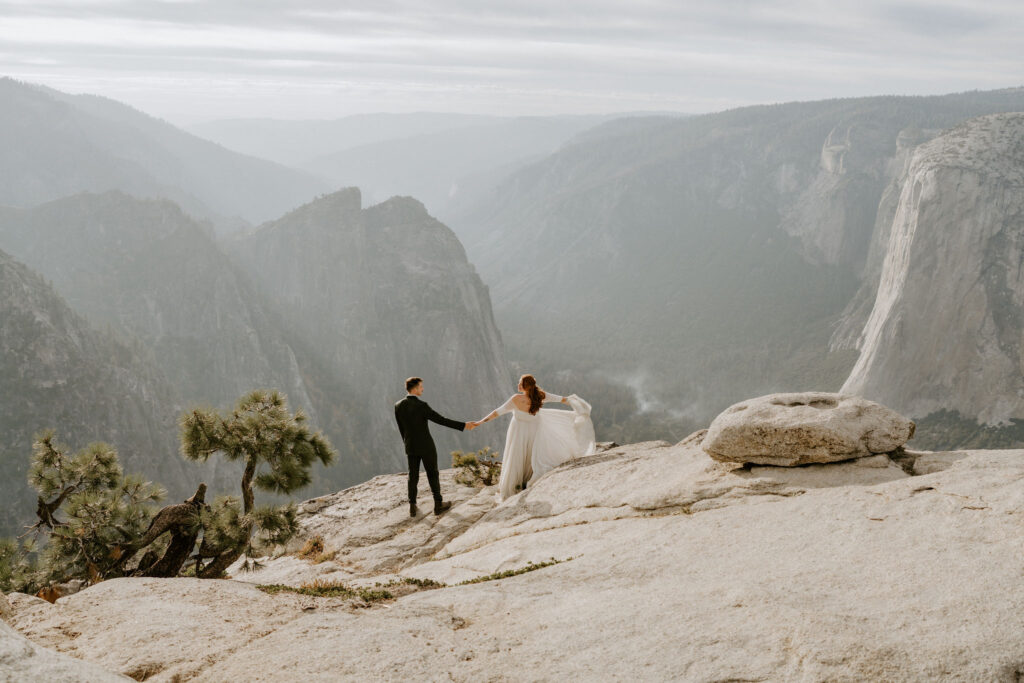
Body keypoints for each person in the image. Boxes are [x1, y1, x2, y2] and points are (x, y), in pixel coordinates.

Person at [471, 374, 595, 501]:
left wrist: (479, 422)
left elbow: (497, 412)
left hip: (518, 431)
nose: (518, 385)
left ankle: (515, 484)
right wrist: (578, 405)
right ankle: (526, 479)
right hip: (534, 430)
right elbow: (563, 399)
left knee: (517, 455)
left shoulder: (516, 399)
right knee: (530, 454)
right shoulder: (540, 395)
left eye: (520, 383)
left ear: (525, 386)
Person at [394, 377, 475, 517]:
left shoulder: (398, 405)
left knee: (412, 475)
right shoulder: (422, 406)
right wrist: (463, 425)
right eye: (421, 387)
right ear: (414, 388)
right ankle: (438, 504)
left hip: (410, 445)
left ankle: (412, 506)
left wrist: (407, 443)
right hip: (426, 446)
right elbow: (441, 420)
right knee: (432, 473)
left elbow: (401, 429)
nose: (422, 389)